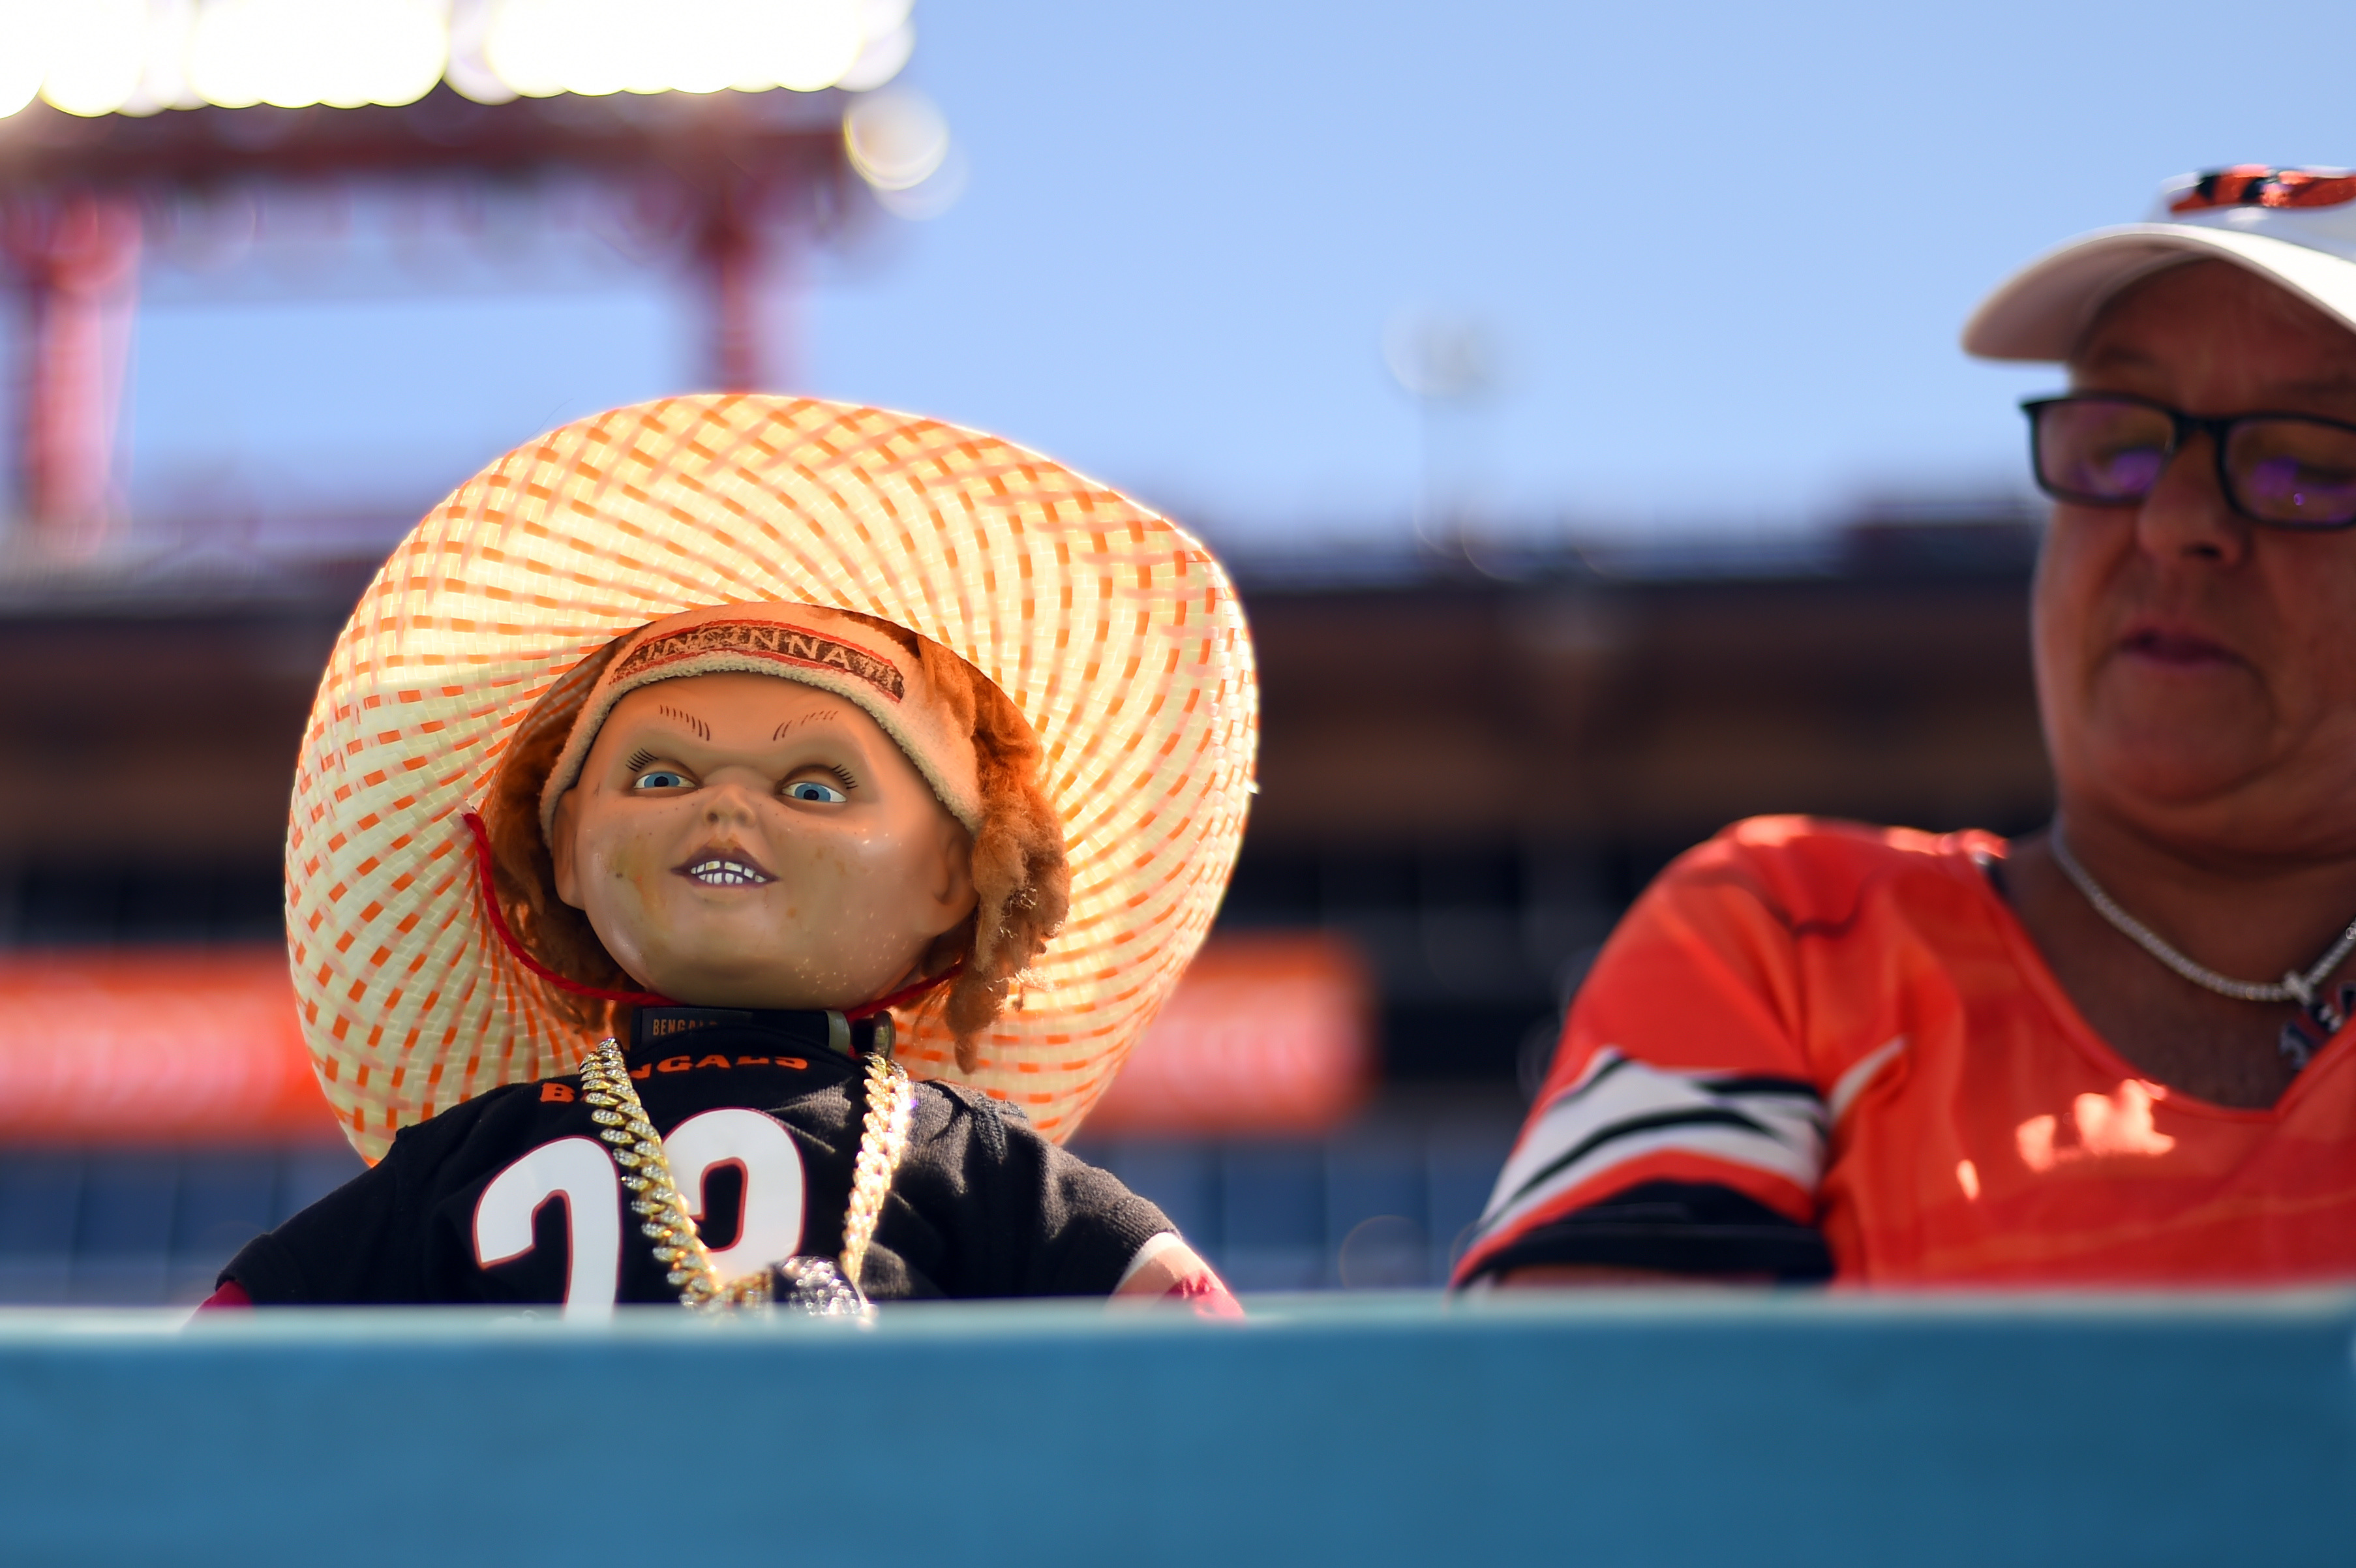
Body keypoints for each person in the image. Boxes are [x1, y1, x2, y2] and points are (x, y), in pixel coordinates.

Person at [1455, 165, 2356, 1288]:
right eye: (2117, 443)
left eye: (2310, 463)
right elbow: (1582, 1446)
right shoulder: (1785, 941)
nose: (2174, 521)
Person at [203, 395, 1255, 1316]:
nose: (726, 811)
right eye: (659, 777)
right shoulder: (473, 1158)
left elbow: (1196, 1352)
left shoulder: (966, 1159)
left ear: (954, 876)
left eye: (812, 787)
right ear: (563, 849)